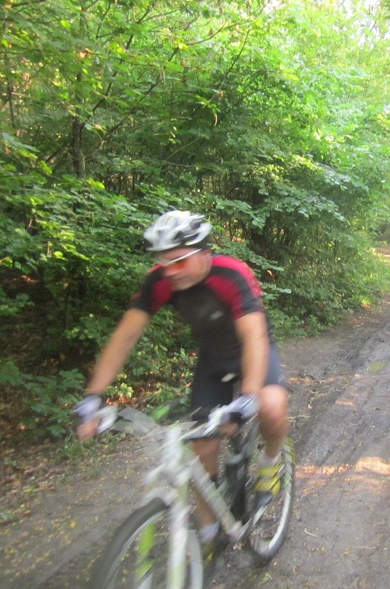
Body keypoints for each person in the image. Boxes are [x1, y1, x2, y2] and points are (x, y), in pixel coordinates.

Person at [74, 210, 290, 560]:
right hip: (212, 361)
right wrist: (92, 396)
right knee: (202, 447)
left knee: (272, 406)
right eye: (163, 263)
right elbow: (125, 337)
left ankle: (270, 461)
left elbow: (253, 335)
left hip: (254, 351)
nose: (169, 272)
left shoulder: (231, 273)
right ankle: (208, 536)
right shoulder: (159, 281)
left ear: (204, 253)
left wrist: (249, 396)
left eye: (179, 262)